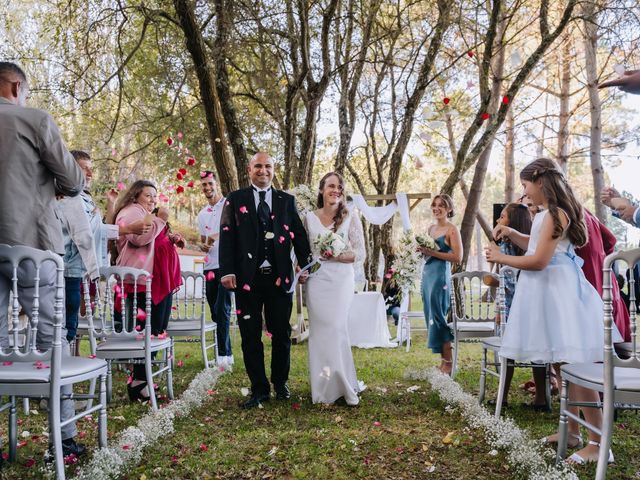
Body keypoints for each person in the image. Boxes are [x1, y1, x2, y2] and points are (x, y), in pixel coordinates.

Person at [485, 158, 622, 464]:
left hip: (558, 294)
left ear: (541, 182)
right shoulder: (548, 214)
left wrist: (500, 258)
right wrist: (510, 235)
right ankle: (572, 432)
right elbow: (536, 246)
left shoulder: (554, 214)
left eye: (526, 184)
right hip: (550, 291)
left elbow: (538, 261)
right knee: (562, 363)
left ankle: (598, 443)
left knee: (576, 366)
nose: (524, 191)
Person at [0, 61, 86, 457]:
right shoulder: (34, 119)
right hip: (31, 241)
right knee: (52, 338)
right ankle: (64, 438)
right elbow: (74, 181)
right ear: (16, 86)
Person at [219, 152, 312, 409]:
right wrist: (227, 271)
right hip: (246, 280)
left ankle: (280, 383)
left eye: (268, 166)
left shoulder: (286, 201)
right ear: (249, 170)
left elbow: (299, 236)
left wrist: (305, 265)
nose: (263, 171)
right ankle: (259, 388)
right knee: (250, 336)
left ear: (273, 170)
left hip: (280, 279)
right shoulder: (235, 199)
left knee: (281, 333)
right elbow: (227, 237)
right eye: (258, 166)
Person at [111, 180, 184, 402]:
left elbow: (152, 240)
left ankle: (143, 379)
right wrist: (161, 218)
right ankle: (138, 383)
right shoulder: (131, 211)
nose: (153, 199)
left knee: (155, 331)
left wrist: (169, 238)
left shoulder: (143, 212)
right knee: (147, 332)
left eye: (155, 195)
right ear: (135, 196)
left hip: (155, 281)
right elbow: (138, 237)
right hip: (141, 283)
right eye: (148, 195)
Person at [304, 172, 366, 405]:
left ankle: (343, 384)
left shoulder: (350, 216)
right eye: (331, 186)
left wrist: (338, 255)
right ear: (321, 190)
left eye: (340, 187)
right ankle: (323, 387)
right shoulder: (309, 217)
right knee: (320, 332)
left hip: (340, 281)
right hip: (317, 281)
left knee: (337, 328)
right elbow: (305, 251)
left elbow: (360, 253)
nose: (336, 190)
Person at [486, 202, 537, 408]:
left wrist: (500, 311)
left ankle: (503, 396)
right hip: (529, 308)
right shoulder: (528, 249)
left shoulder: (506, 248)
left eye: (503, 217)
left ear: (513, 222)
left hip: (511, 309)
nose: (499, 220)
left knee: (507, 352)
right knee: (537, 352)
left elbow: (508, 284)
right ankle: (541, 397)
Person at [418, 194, 463, 375]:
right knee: (430, 316)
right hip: (427, 275)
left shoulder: (452, 230)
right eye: (434, 205)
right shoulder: (431, 228)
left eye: (441, 206)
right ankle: (443, 360)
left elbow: (457, 258)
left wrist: (431, 252)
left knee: (439, 318)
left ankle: (449, 362)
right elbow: (429, 253)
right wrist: (421, 251)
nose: (437, 208)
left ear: (449, 209)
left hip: (440, 278)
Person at [197, 171, 233, 366]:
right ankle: (224, 350)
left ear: (216, 184)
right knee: (214, 311)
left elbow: (233, 229)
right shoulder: (201, 214)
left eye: (210, 184)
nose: (207, 188)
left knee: (223, 308)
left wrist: (215, 237)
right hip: (209, 266)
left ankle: (224, 355)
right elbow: (203, 241)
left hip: (226, 265)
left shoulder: (228, 205)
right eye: (204, 185)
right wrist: (203, 245)